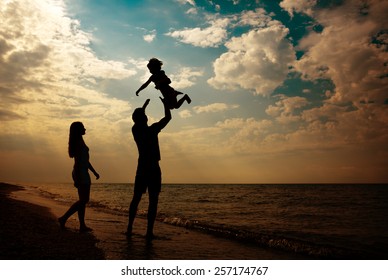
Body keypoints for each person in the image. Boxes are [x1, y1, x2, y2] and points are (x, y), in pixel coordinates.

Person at [127, 97, 171, 239]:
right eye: (145, 115)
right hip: (153, 168)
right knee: (153, 200)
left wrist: (144, 106)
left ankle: (129, 228)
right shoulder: (153, 130)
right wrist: (165, 104)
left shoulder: (135, 130)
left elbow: (138, 117)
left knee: (136, 198)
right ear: (145, 118)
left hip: (141, 168)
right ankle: (149, 232)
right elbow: (168, 117)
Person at [58, 122, 100, 232]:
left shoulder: (80, 141)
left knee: (82, 200)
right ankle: (64, 218)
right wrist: (77, 178)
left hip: (82, 172)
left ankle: (82, 225)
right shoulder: (78, 143)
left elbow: (86, 161)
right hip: (80, 173)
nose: (85, 129)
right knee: (84, 200)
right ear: (78, 130)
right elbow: (77, 162)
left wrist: (94, 172)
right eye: (82, 127)